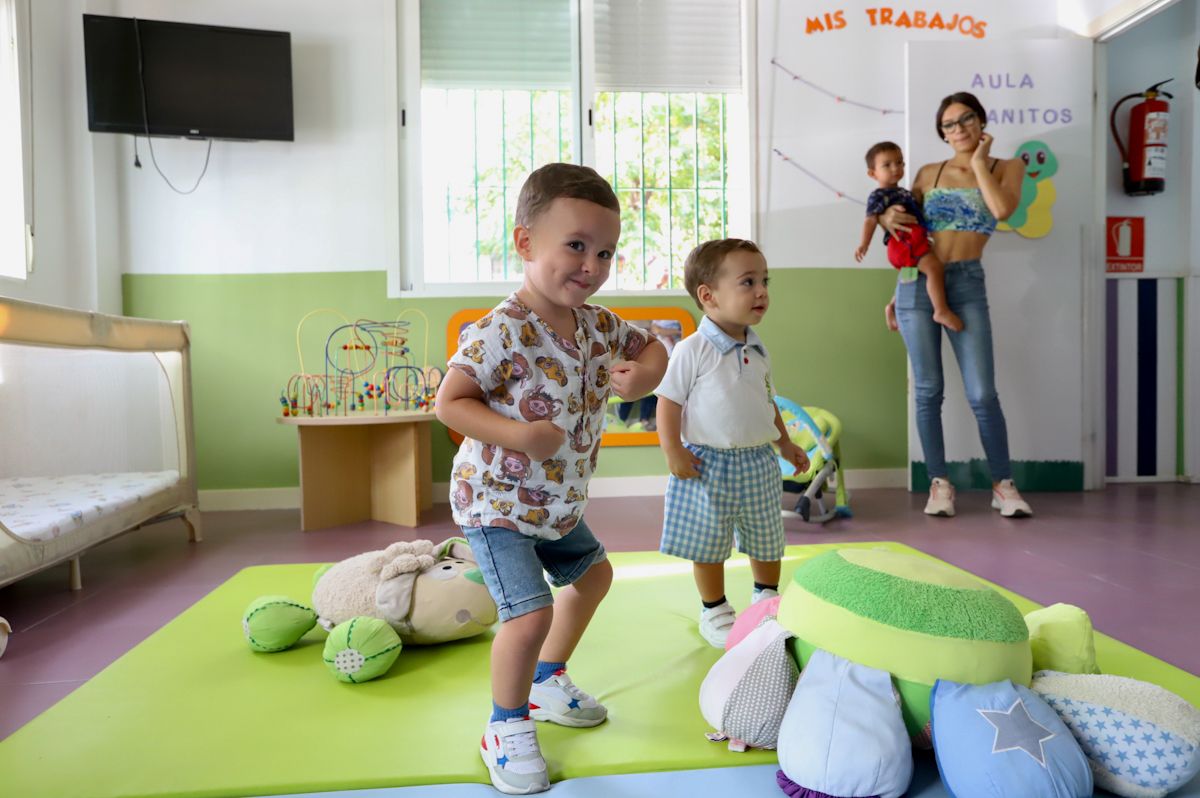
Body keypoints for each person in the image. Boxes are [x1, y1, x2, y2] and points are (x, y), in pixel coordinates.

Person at [436, 163, 669, 795]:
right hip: (495, 505)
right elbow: (450, 402)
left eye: (605, 252)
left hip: (556, 505)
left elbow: (656, 349)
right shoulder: (500, 330)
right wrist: (519, 435)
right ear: (525, 243)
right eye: (575, 246)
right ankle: (504, 727)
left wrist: (644, 377)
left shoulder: (598, 325)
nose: (591, 264)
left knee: (595, 575)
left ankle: (545, 681)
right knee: (528, 613)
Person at [878, 92, 1033, 519]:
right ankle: (939, 483)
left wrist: (981, 163)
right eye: (948, 124)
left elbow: (1002, 209)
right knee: (928, 391)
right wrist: (895, 289)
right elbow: (909, 240)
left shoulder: (1008, 167)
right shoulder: (929, 173)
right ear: (941, 132)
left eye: (966, 119)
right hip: (917, 285)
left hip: (966, 283)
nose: (958, 128)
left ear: (981, 121)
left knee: (983, 393)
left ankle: (1003, 485)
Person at [654, 239, 810, 648]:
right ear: (708, 296)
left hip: (757, 459)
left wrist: (785, 444)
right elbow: (668, 403)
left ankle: (766, 599)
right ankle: (715, 608)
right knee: (708, 542)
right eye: (747, 282)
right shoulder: (693, 349)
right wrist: (674, 451)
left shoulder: (758, 350)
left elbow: (766, 399)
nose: (761, 291)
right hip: (707, 463)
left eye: (764, 281)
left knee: (766, 534)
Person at [856, 141, 963, 332]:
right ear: (873, 173)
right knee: (934, 268)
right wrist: (864, 244)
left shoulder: (905, 193)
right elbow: (870, 220)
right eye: (887, 165)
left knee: (909, 277)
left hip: (912, 244)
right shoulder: (878, 196)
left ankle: (892, 307)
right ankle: (941, 310)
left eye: (899, 162)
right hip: (904, 245)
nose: (895, 168)